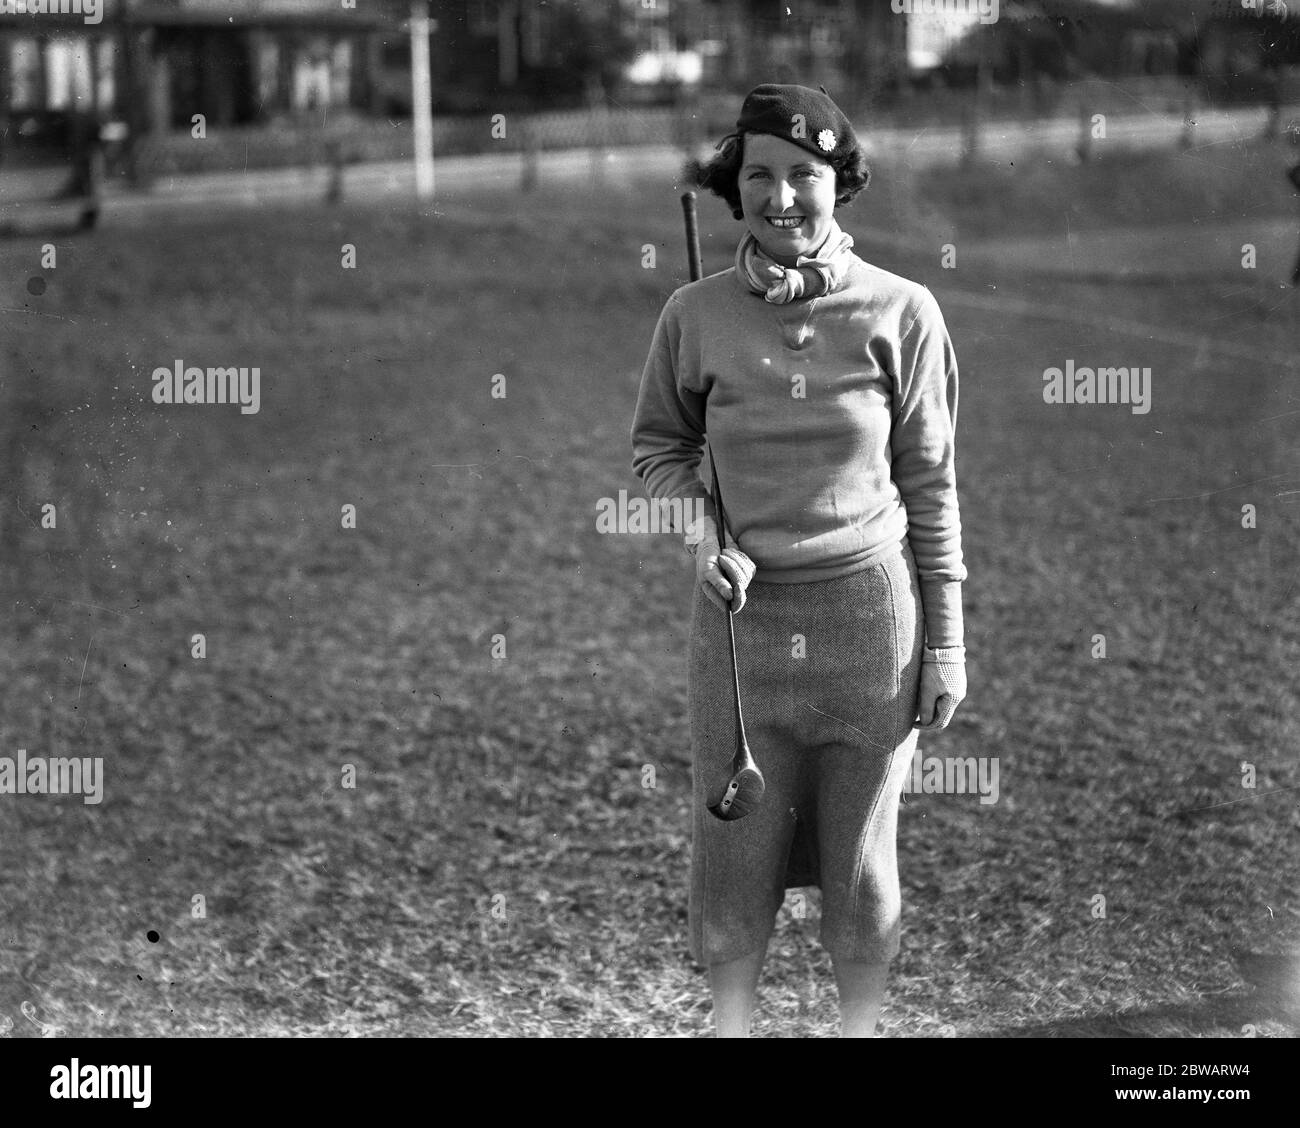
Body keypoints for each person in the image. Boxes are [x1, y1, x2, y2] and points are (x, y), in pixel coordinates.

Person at [630, 84, 968, 1037]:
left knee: (861, 865)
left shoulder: (905, 310)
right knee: (732, 849)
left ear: (839, 184)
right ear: (733, 189)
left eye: (805, 176)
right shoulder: (691, 315)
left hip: (872, 624)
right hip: (740, 631)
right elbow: (658, 451)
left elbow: (934, 489)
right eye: (761, 176)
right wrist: (705, 534)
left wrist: (946, 644)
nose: (783, 198)